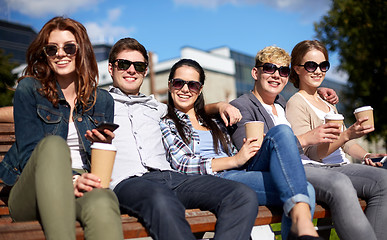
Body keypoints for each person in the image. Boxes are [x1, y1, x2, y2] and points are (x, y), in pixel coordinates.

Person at [107, 37, 258, 240]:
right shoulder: (98, 104)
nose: (131, 70)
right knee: (161, 199)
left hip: (173, 177)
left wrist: (220, 105)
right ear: (110, 68)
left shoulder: (157, 108)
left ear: (145, 71)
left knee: (242, 195)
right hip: (129, 182)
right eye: (124, 64)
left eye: (139, 65)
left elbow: (193, 109)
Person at [159, 58, 321, 240]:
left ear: (200, 89)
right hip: (214, 180)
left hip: (239, 172)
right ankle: (304, 229)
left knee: (282, 132)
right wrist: (235, 160)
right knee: (306, 189)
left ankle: (303, 227)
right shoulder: (168, 122)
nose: (185, 89)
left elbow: (206, 114)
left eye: (193, 85)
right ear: (170, 85)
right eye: (179, 83)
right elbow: (183, 164)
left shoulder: (212, 120)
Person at [0, 17, 124, 240]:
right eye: (51, 49)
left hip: (83, 184)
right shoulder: (29, 89)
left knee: (104, 202)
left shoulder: (103, 100)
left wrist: (101, 146)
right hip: (31, 191)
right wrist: (71, 181)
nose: (60, 53)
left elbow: (99, 168)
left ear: (82, 50)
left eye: (69, 47)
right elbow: (29, 156)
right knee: (53, 146)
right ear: (44, 54)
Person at [286, 40, 387, 240]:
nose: (318, 71)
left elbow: (345, 144)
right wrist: (347, 134)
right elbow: (313, 153)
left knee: (384, 179)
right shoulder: (296, 103)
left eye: (323, 66)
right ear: (297, 69)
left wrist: (366, 154)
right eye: (311, 65)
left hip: (340, 166)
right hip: (319, 170)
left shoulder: (328, 104)